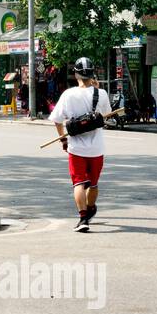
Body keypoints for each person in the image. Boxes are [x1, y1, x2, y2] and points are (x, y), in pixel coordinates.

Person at [49, 58, 112, 233]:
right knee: (93, 184)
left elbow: (56, 120)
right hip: (97, 147)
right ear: (92, 74)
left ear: (75, 74)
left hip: (76, 148)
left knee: (78, 183)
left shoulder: (68, 94)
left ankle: (83, 218)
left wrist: (63, 139)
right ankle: (91, 208)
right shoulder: (102, 94)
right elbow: (106, 117)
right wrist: (97, 91)